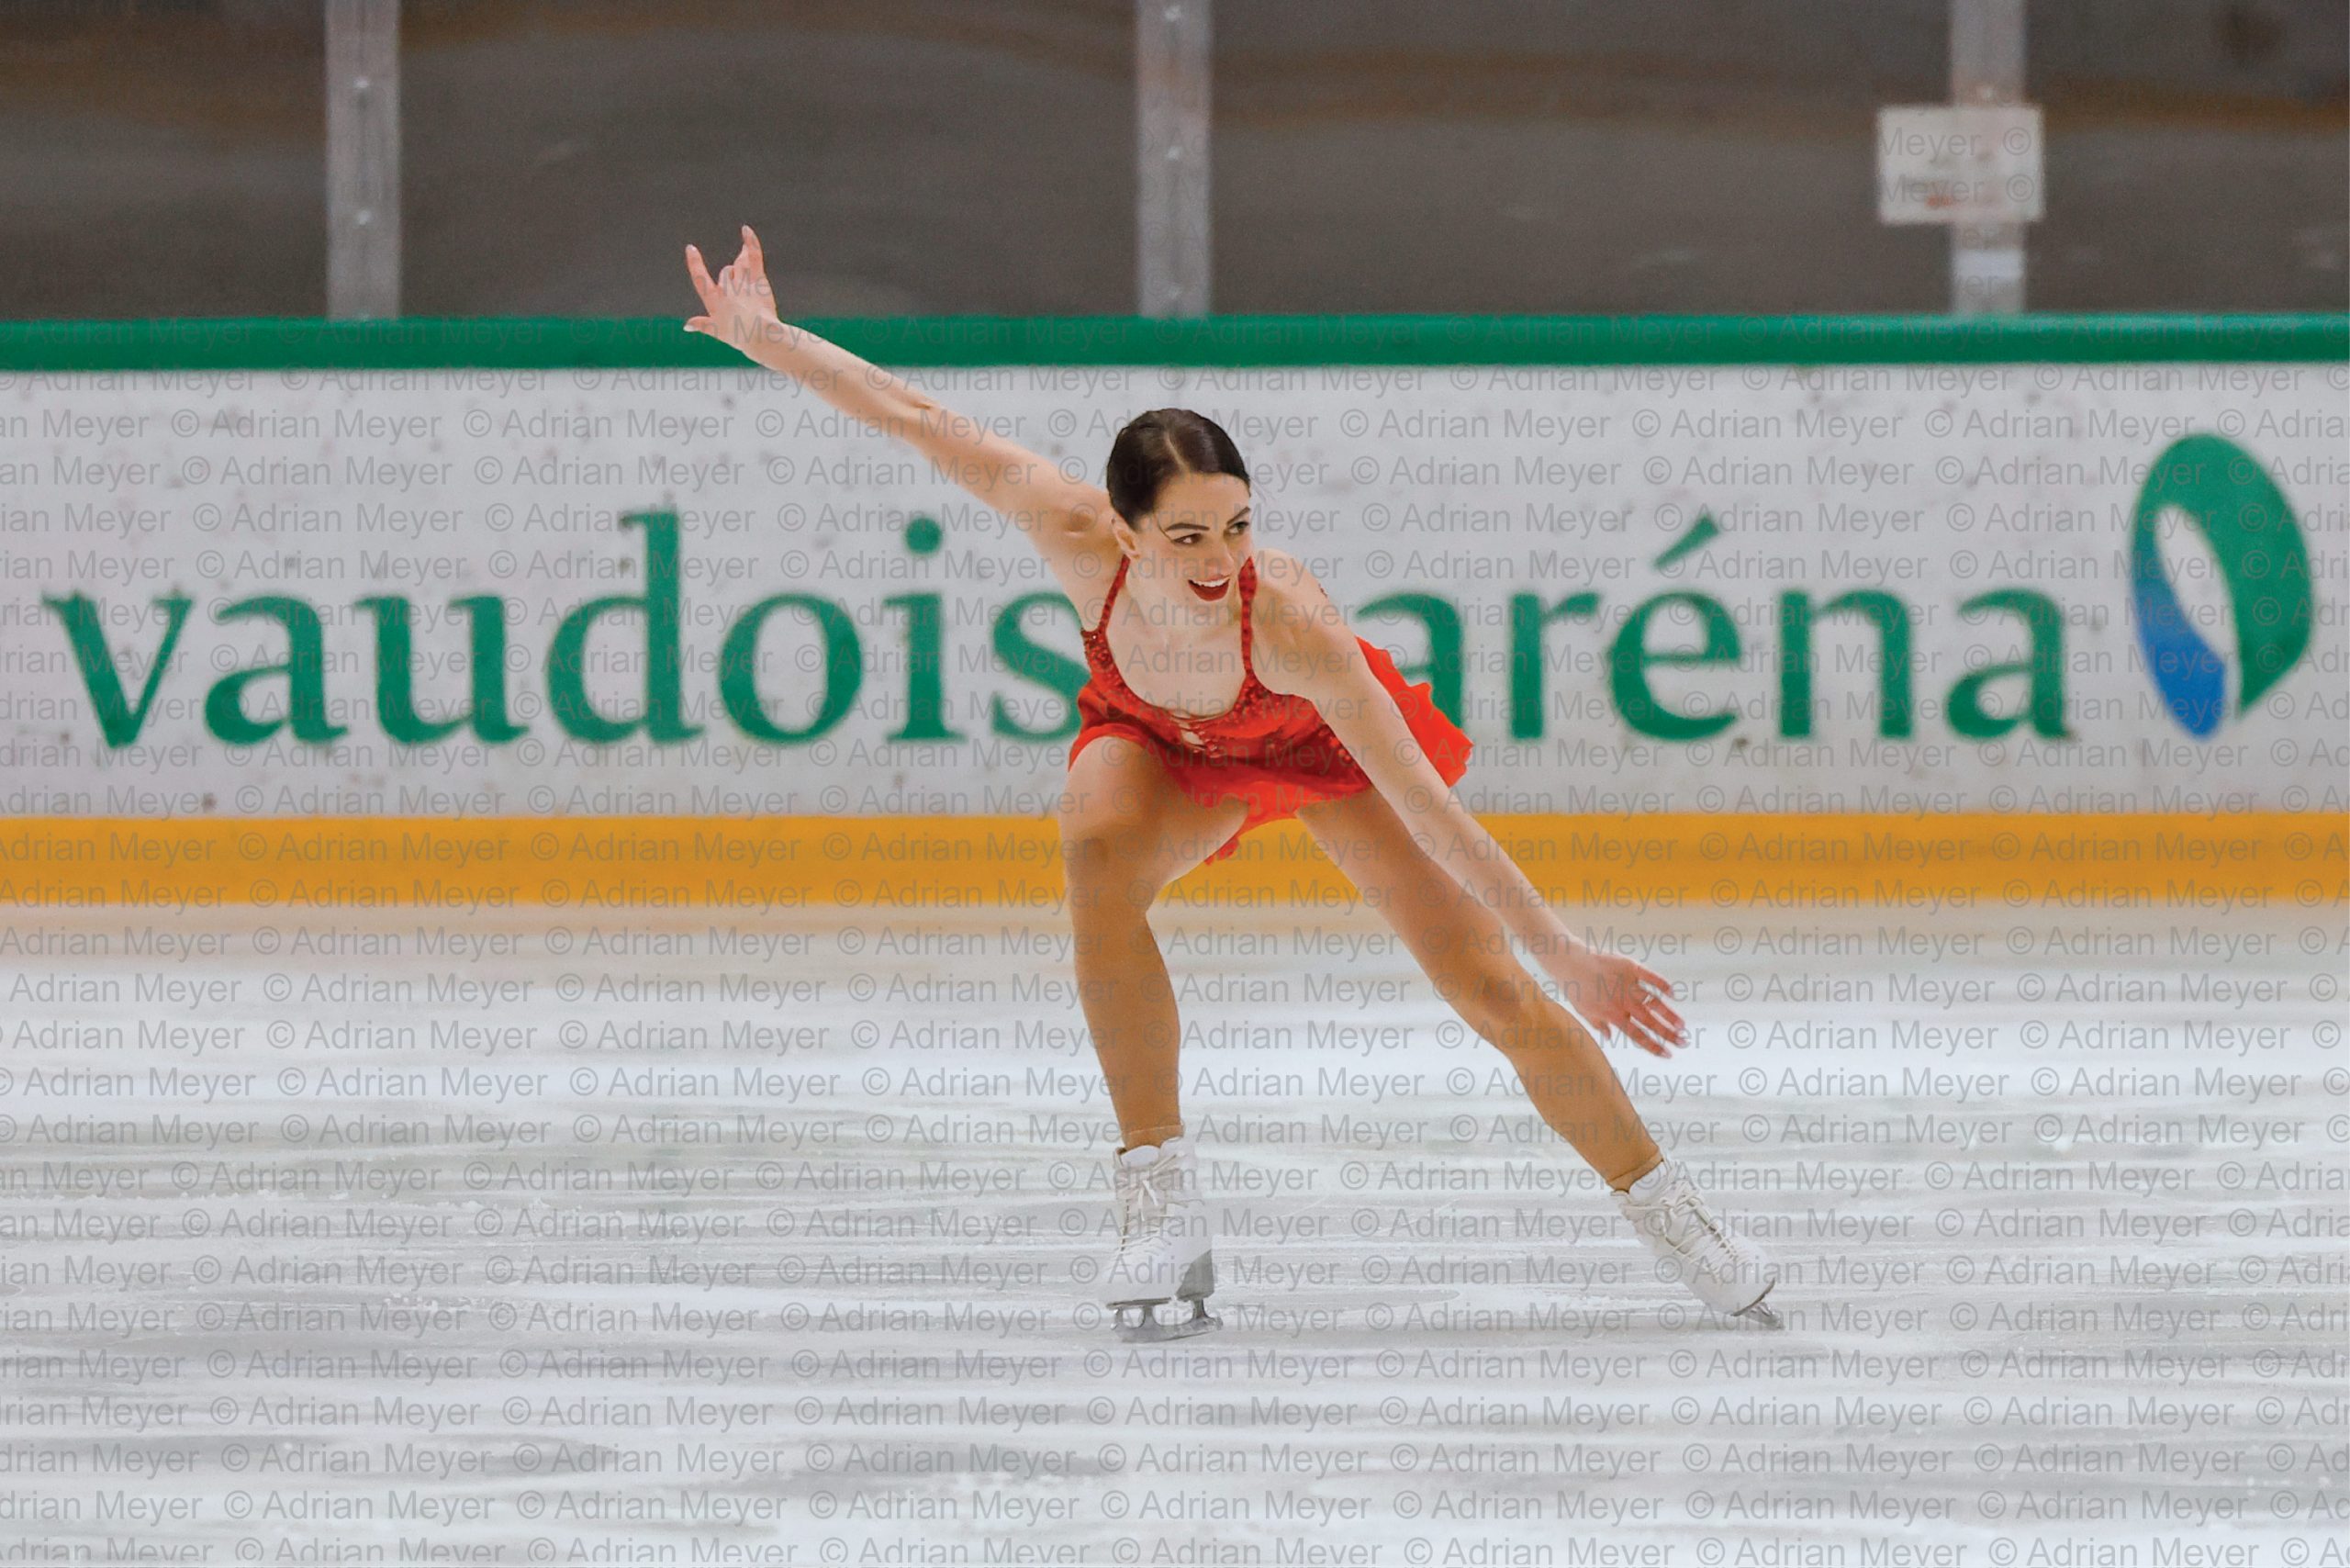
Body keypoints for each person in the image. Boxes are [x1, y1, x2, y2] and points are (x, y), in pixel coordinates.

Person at [685, 227, 1781, 1339]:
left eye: (1238, 526)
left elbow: (1427, 807)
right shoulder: (1070, 532)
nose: (1219, 560)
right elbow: (920, 419)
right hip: (1163, 740)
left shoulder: (1291, 626)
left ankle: (1668, 1209)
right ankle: (1158, 1194)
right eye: (1187, 535)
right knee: (1094, 847)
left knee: (1491, 988)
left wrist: (1564, 951)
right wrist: (770, 340)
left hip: (1311, 751)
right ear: (1125, 532)